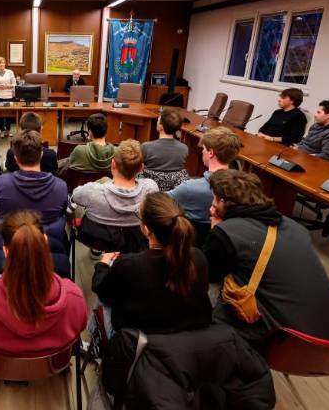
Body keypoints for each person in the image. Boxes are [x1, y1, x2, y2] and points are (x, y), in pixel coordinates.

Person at [205, 169, 329, 343]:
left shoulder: (227, 233)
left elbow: (207, 273)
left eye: (214, 200)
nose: (211, 207)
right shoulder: (296, 228)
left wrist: (216, 232)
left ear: (223, 201)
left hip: (293, 345)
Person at [0, 210, 87, 357]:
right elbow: (80, 326)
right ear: (45, 241)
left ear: (5, 251)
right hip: (52, 366)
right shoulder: (74, 297)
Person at [92, 192, 212, 336]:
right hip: (189, 334)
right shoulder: (198, 257)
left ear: (147, 229)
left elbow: (101, 290)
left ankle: (95, 342)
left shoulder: (129, 265)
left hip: (140, 340)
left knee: (103, 299)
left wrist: (103, 265)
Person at [72, 140, 158, 228]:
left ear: (113, 164)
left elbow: (75, 196)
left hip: (96, 236)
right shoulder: (150, 190)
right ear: (141, 168)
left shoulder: (91, 191)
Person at [168, 127, 241, 227]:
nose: (202, 151)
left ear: (211, 153)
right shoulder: (241, 188)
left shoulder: (189, 188)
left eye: (204, 148)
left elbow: (158, 201)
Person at [0, 130, 67, 225]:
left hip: (12, 232)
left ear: (16, 159)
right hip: (47, 233)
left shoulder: (2, 183)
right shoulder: (60, 186)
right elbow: (61, 212)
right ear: (41, 155)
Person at [140, 109, 190, 191]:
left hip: (150, 190)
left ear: (161, 127)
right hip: (173, 192)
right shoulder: (184, 149)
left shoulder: (146, 147)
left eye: (158, 121)